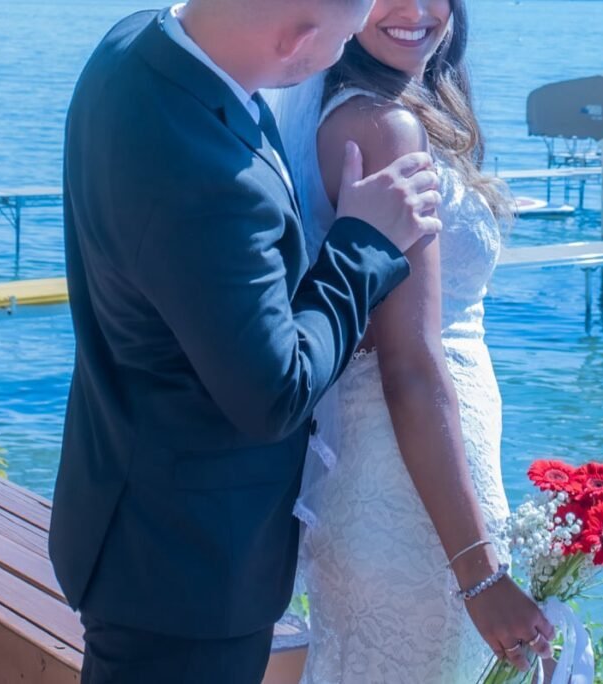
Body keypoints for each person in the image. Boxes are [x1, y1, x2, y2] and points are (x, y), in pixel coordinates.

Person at [49, 0, 442, 681]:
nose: (343, 56)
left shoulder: (136, 44)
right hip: (189, 572)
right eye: (343, 38)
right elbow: (274, 393)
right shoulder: (208, 178)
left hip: (129, 518)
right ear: (296, 40)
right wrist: (363, 244)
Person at [271, 0, 555, 679]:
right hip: (411, 500)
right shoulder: (383, 127)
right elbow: (411, 368)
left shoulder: (376, 108)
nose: (417, 9)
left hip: (403, 484)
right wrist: (482, 577)